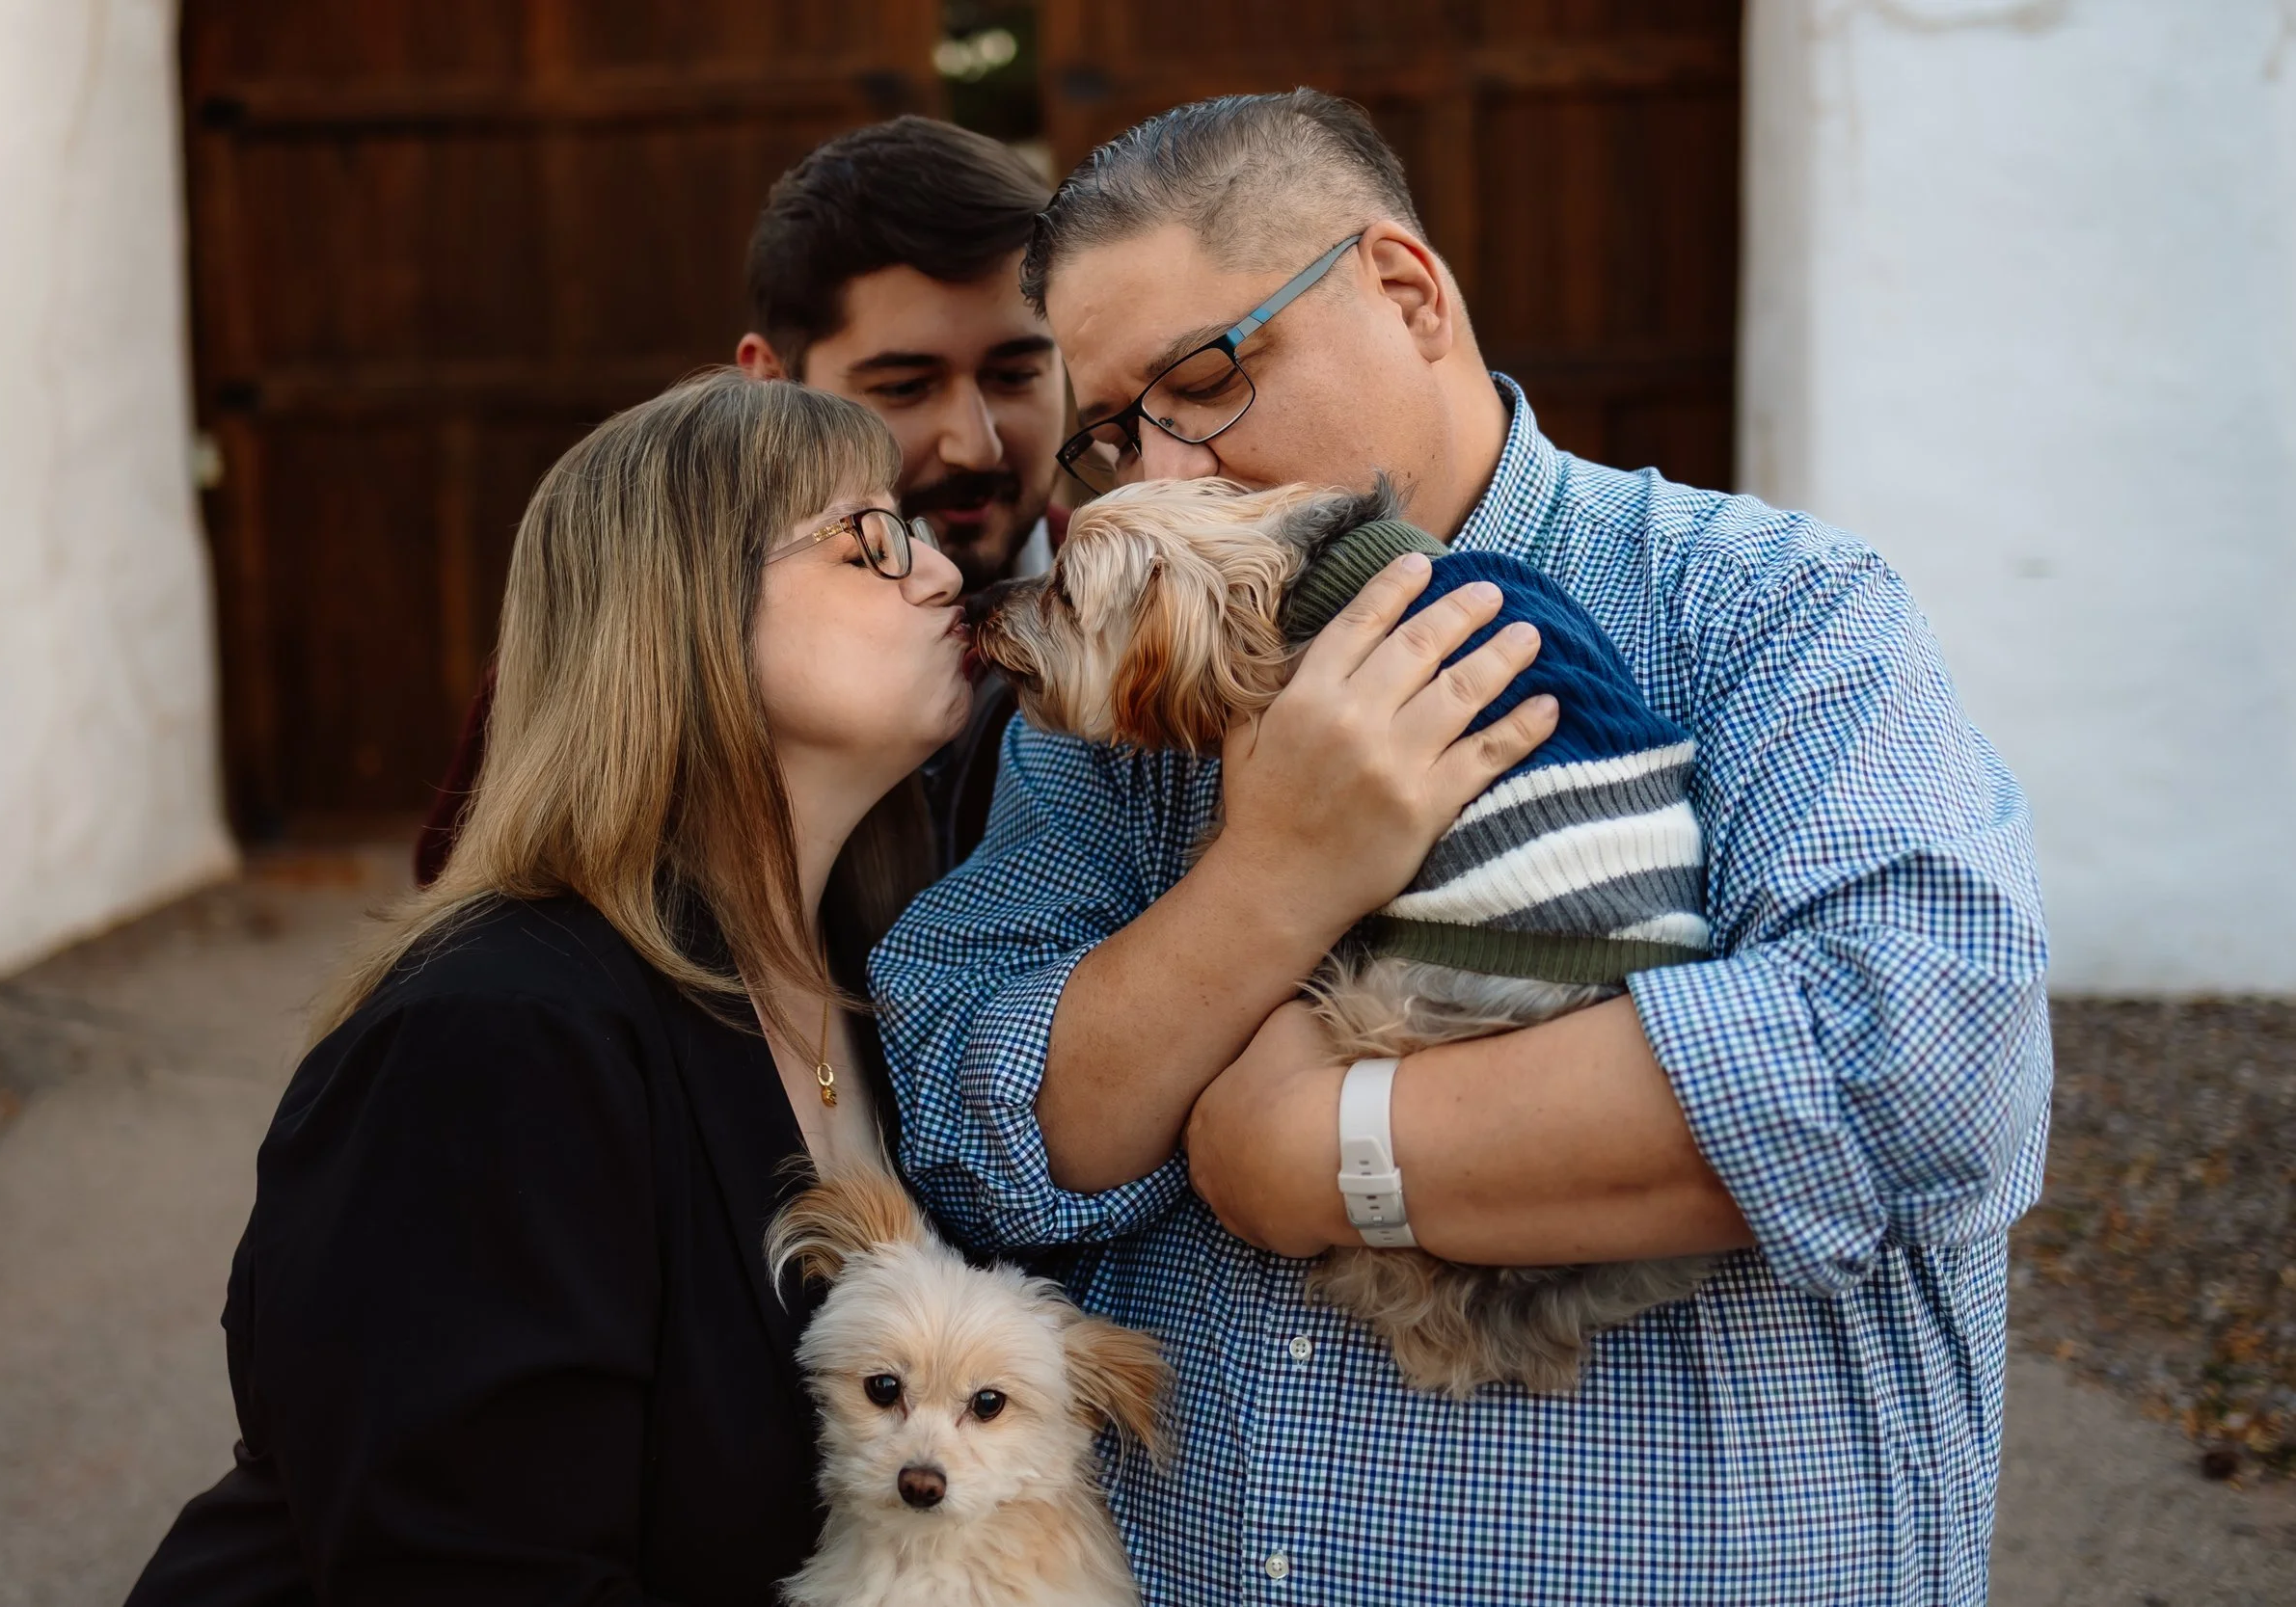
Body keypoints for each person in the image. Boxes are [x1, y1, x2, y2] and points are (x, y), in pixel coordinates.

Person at [875, 91, 2050, 1605]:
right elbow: (981, 1123)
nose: (1161, 475)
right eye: (1112, 435)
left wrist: (1310, 1154)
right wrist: (1274, 876)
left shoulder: (1768, 608)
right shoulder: (1120, 714)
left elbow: (1921, 1065)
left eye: (1208, 377)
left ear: (1407, 294)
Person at [127, 372, 972, 1605]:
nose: (940, 570)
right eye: (870, 539)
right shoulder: (493, 1033)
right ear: (680, 609)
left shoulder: (869, 981)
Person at [415, 116, 1064, 884]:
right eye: (905, 388)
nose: (976, 444)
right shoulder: (639, 631)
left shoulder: (1152, 605)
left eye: (1015, 374)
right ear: (771, 380)